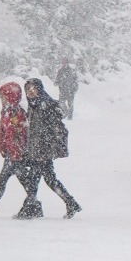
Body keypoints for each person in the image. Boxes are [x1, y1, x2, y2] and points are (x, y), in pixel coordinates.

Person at [15, 78, 81, 219]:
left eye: (33, 89)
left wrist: (44, 148)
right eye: (28, 90)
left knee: (34, 180)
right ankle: (70, 202)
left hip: (43, 151)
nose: (31, 92)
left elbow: (51, 128)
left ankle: (30, 208)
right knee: (50, 180)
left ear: (40, 89)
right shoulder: (33, 105)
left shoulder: (45, 104)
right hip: (37, 149)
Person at [0, 83, 37, 218]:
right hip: (11, 154)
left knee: (14, 180)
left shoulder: (18, 113)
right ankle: (34, 204)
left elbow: (20, 136)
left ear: (11, 97)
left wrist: (16, 154)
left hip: (17, 155)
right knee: (15, 180)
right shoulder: (6, 112)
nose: (1, 99)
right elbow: (3, 133)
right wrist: (3, 148)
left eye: (3, 96)